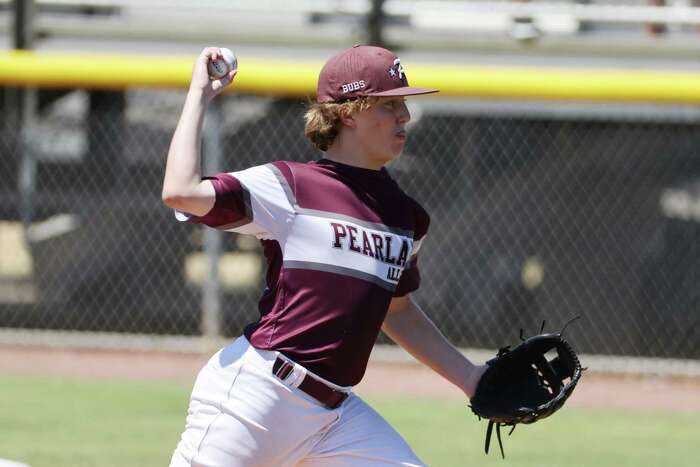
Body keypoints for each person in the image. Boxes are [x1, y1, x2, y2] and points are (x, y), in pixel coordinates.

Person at [162, 45, 485, 467]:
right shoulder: (291, 186)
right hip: (255, 400)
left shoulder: (406, 216)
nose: (405, 115)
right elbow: (180, 192)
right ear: (348, 112)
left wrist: (471, 379)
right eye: (389, 105)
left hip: (334, 418)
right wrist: (199, 94)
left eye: (404, 103)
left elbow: (398, 310)